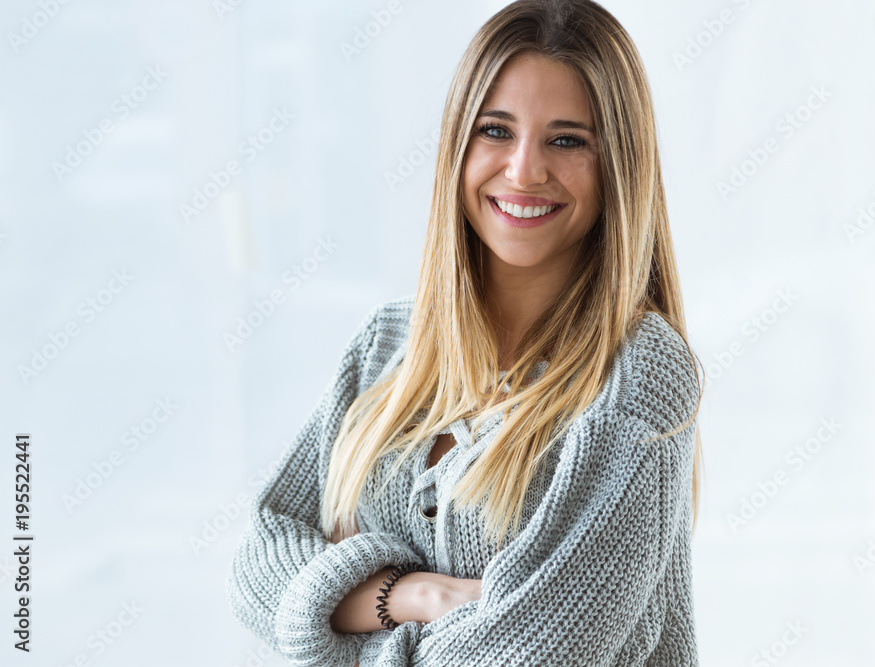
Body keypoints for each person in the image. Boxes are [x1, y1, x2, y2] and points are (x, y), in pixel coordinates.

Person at [226, 0, 705, 665]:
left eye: (566, 139)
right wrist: (413, 594)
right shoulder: (386, 345)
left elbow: (535, 650)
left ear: (616, 166)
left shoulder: (639, 371)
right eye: (496, 130)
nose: (524, 170)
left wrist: (344, 628)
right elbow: (258, 565)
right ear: (457, 143)